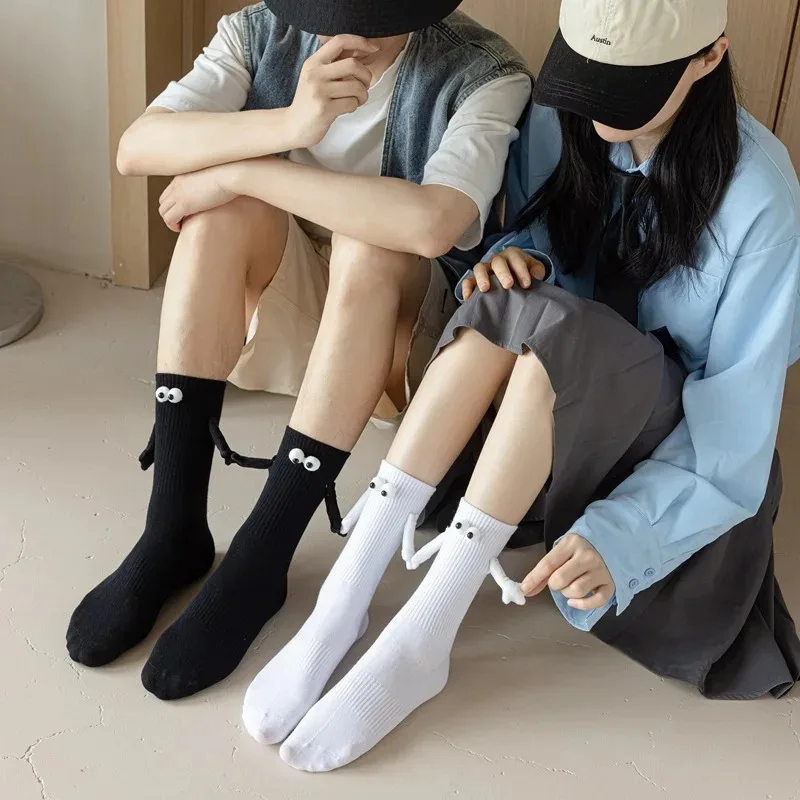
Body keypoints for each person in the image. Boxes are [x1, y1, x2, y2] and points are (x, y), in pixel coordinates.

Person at [240, 0, 800, 773]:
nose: (597, 109)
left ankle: (423, 636)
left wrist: (624, 535)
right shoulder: (562, 117)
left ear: (708, 59)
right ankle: (343, 602)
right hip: (545, 417)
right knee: (509, 301)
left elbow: (734, 424)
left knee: (556, 337)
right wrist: (511, 257)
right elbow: (536, 230)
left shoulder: (761, 194)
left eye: (624, 88)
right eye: (589, 78)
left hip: (667, 445)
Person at [65, 0, 531, 699]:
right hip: (297, 318)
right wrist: (291, 124)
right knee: (220, 219)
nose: (344, 22)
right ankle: (172, 529)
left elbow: (434, 225)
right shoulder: (259, 32)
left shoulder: (484, 71)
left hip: (401, 347)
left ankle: (263, 554)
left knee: (366, 242)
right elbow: (138, 148)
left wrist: (240, 171)